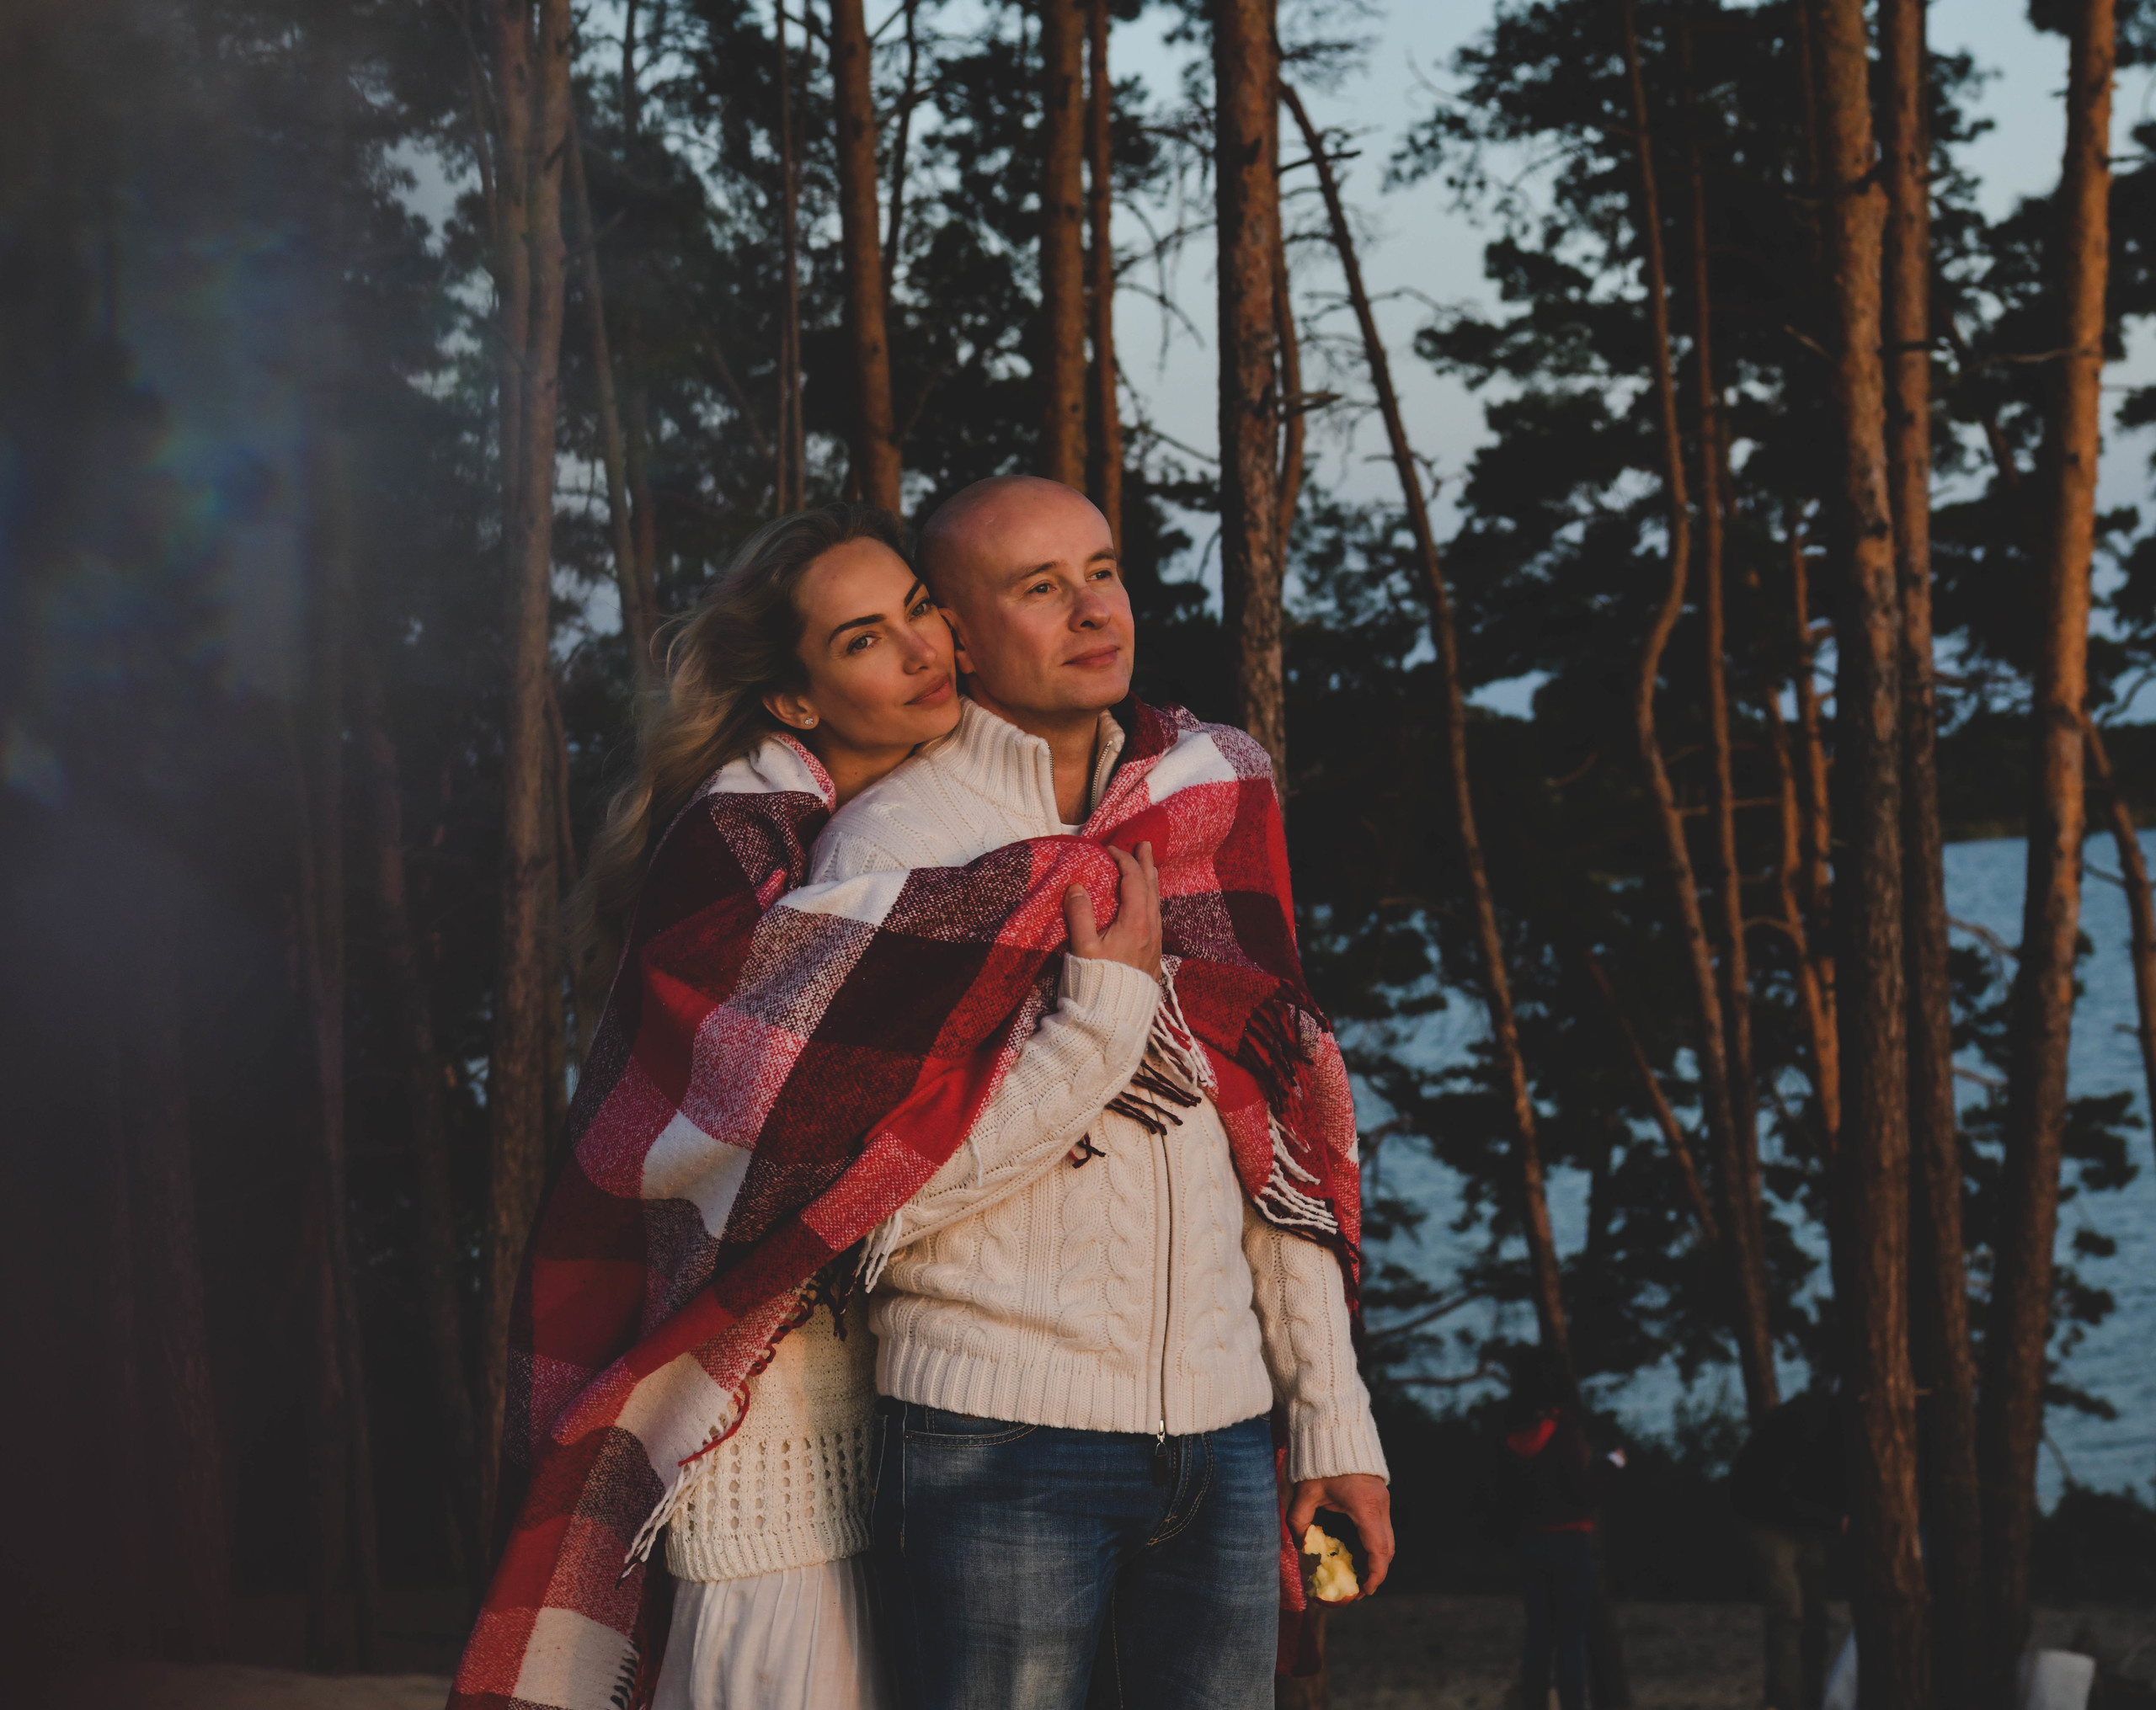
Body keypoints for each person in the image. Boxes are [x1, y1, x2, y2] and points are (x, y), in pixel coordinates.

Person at [451, 503, 1168, 1710]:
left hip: (889, 1446)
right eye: (862, 639)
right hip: (762, 1447)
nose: (919, 648)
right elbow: (804, 1148)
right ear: (794, 697)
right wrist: (1085, 968)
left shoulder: (911, 833)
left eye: (920, 610)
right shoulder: (736, 847)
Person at [817, 475, 1393, 1710]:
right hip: (992, 1440)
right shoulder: (892, 847)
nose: (1093, 609)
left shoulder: (1205, 798)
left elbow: (1269, 1132)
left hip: (1227, 1436)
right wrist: (1101, 1018)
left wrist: (1333, 1422)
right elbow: (866, 1206)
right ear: (957, 635)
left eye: (1102, 569)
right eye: (1040, 587)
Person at [1493, 1359, 1613, 1710]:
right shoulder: (1564, 1431)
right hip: (1571, 1544)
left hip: (1530, 1543)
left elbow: (1501, 1497)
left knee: (1538, 1637)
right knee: (1570, 1641)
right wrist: (1613, 1464)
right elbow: (1585, 1493)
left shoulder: (1511, 1433)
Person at [1729, 1385, 1845, 1710]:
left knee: (1817, 1619)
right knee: (1789, 1613)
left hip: (1804, 1519)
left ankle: (1812, 1699)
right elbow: (1773, 1493)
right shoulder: (1809, 1424)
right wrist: (1835, 1520)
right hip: (1762, 1516)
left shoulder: (1835, 1427)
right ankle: (1785, 1702)